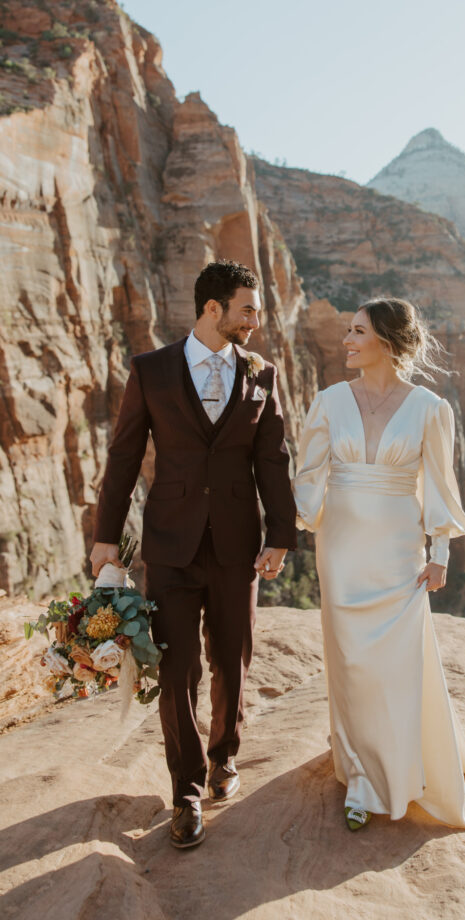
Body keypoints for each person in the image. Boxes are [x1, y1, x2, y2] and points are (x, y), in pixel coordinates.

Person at [90, 260, 298, 849]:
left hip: (237, 545)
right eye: (248, 310)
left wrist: (280, 534)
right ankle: (183, 791)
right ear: (214, 310)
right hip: (171, 545)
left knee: (232, 662)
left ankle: (223, 758)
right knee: (176, 667)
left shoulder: (262, 373)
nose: (256, 321)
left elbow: (272, 458)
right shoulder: (151, 370)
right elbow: (124, 456)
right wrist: (107, 534)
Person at [294, 297, 465, 831]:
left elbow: (438, 485)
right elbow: (309, 473)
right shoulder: (329, 401)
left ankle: (405, 767)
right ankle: (360, 774)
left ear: (385, 341)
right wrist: (286, 522)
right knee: (352, 665)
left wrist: (441, 555)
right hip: (340, 551)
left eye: (357, 332)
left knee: (396, 666)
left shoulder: (431, 409)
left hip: (398, 554)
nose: (346, 341)